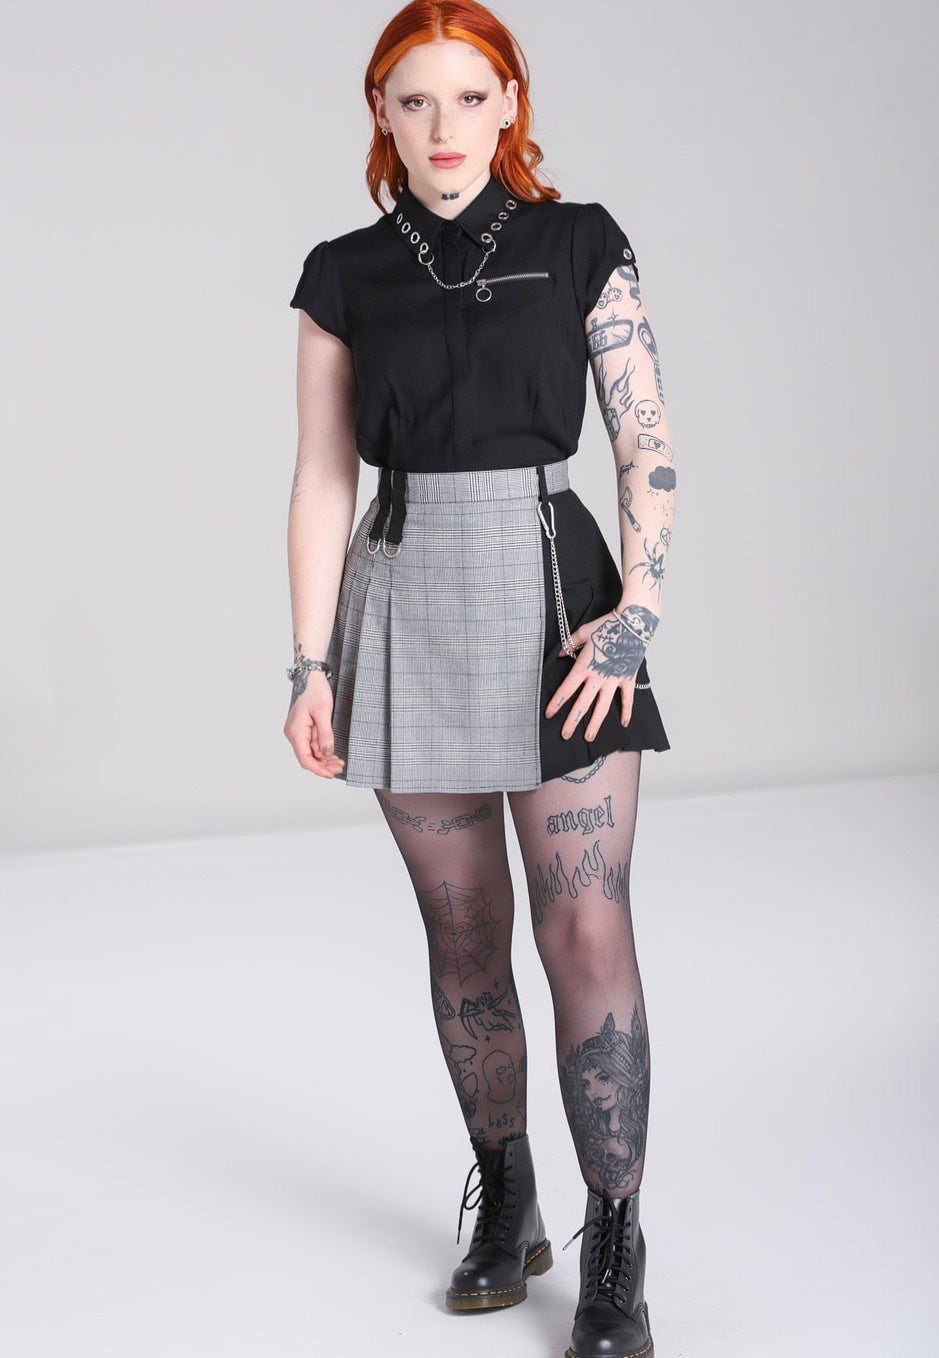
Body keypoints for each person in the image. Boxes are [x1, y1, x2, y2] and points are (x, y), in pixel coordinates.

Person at [283, 4, 677, 1355]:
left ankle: (616, 1236)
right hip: (405, 605)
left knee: (587, 928)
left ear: (510, 103)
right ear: (381, 117)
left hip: (563, 611)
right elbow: (322, 476)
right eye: (413, 101)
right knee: (462, 937)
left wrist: (636, 615)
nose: (442, 127)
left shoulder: (581, 243)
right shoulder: (342, 273)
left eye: (468, 96)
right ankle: (507, 1191)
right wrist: (310, 661)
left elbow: (642, 438)